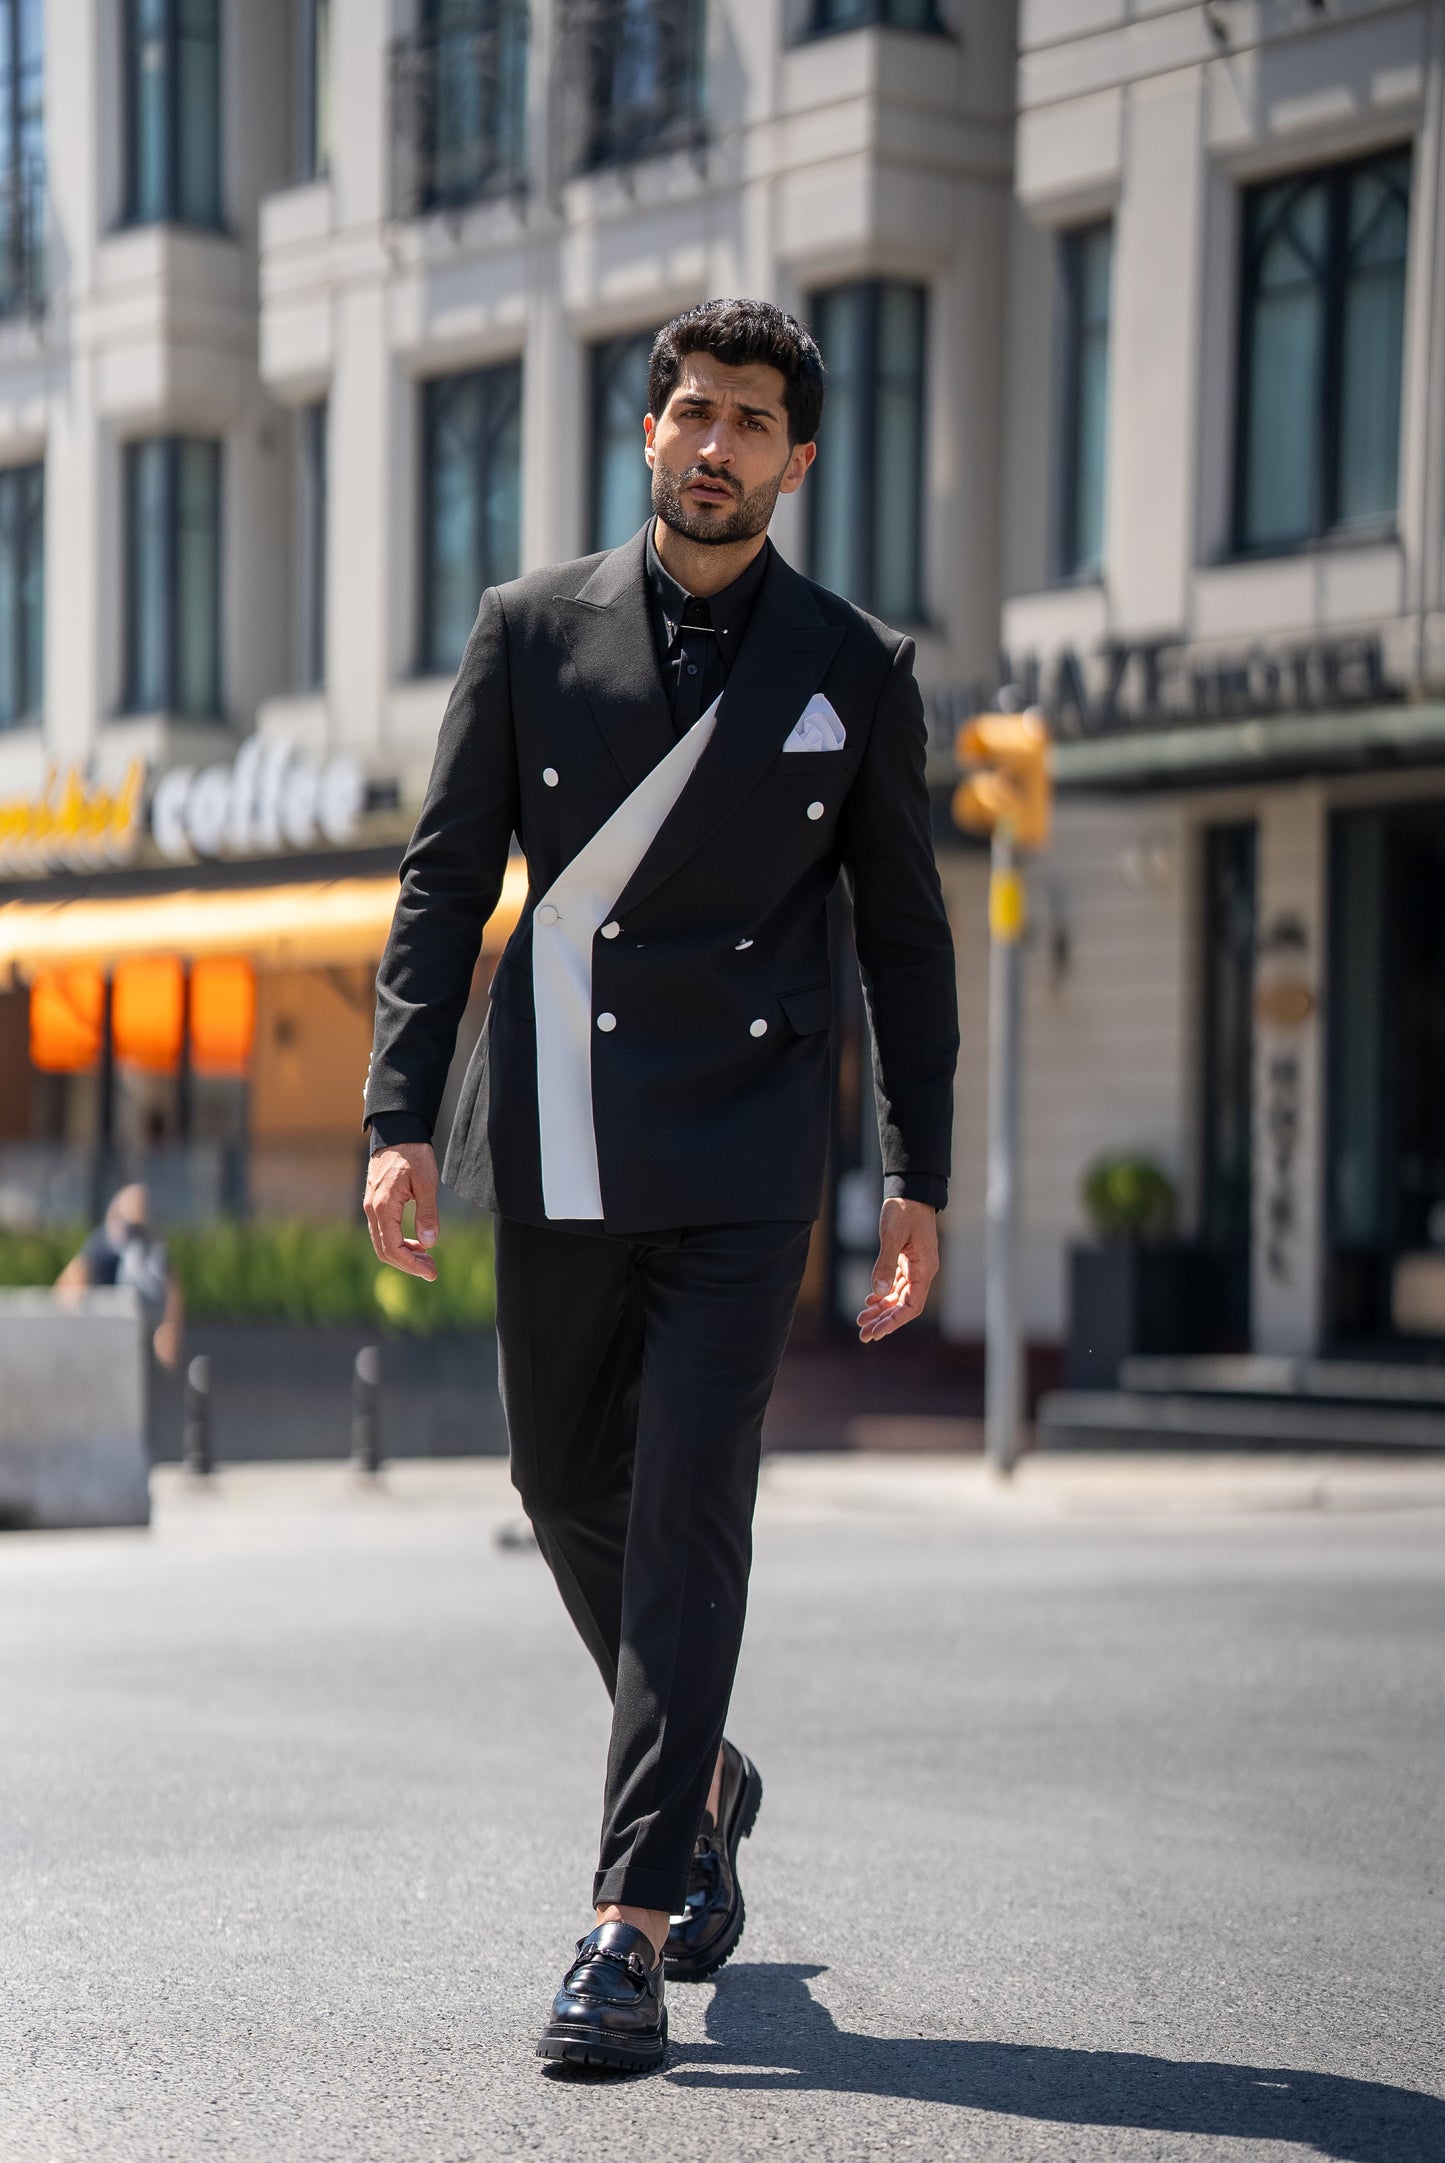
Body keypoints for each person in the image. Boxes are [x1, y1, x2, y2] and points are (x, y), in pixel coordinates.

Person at [363, 298, 959, 2073]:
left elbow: (908, 951)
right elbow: (439, 883)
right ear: (646, 436)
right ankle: (702, 1762)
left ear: (798, 456)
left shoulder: (856, 671)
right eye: (689, 411)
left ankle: (627, 1923)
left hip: (748, 1151)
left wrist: (914, 1176)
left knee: (693, 1498)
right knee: (562, 1480)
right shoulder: (527, 631)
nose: (715, 442)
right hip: (561, 1125)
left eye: (751, 419)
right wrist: (399, 1114)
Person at [56, 1182, 184, 1370]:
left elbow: (172, 1285)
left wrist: (170, 1327)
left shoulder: (151, 1244)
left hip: (137, 1330)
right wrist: (72, 1320)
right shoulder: (108, 1239)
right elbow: (75, 1274)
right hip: (106, 1330)